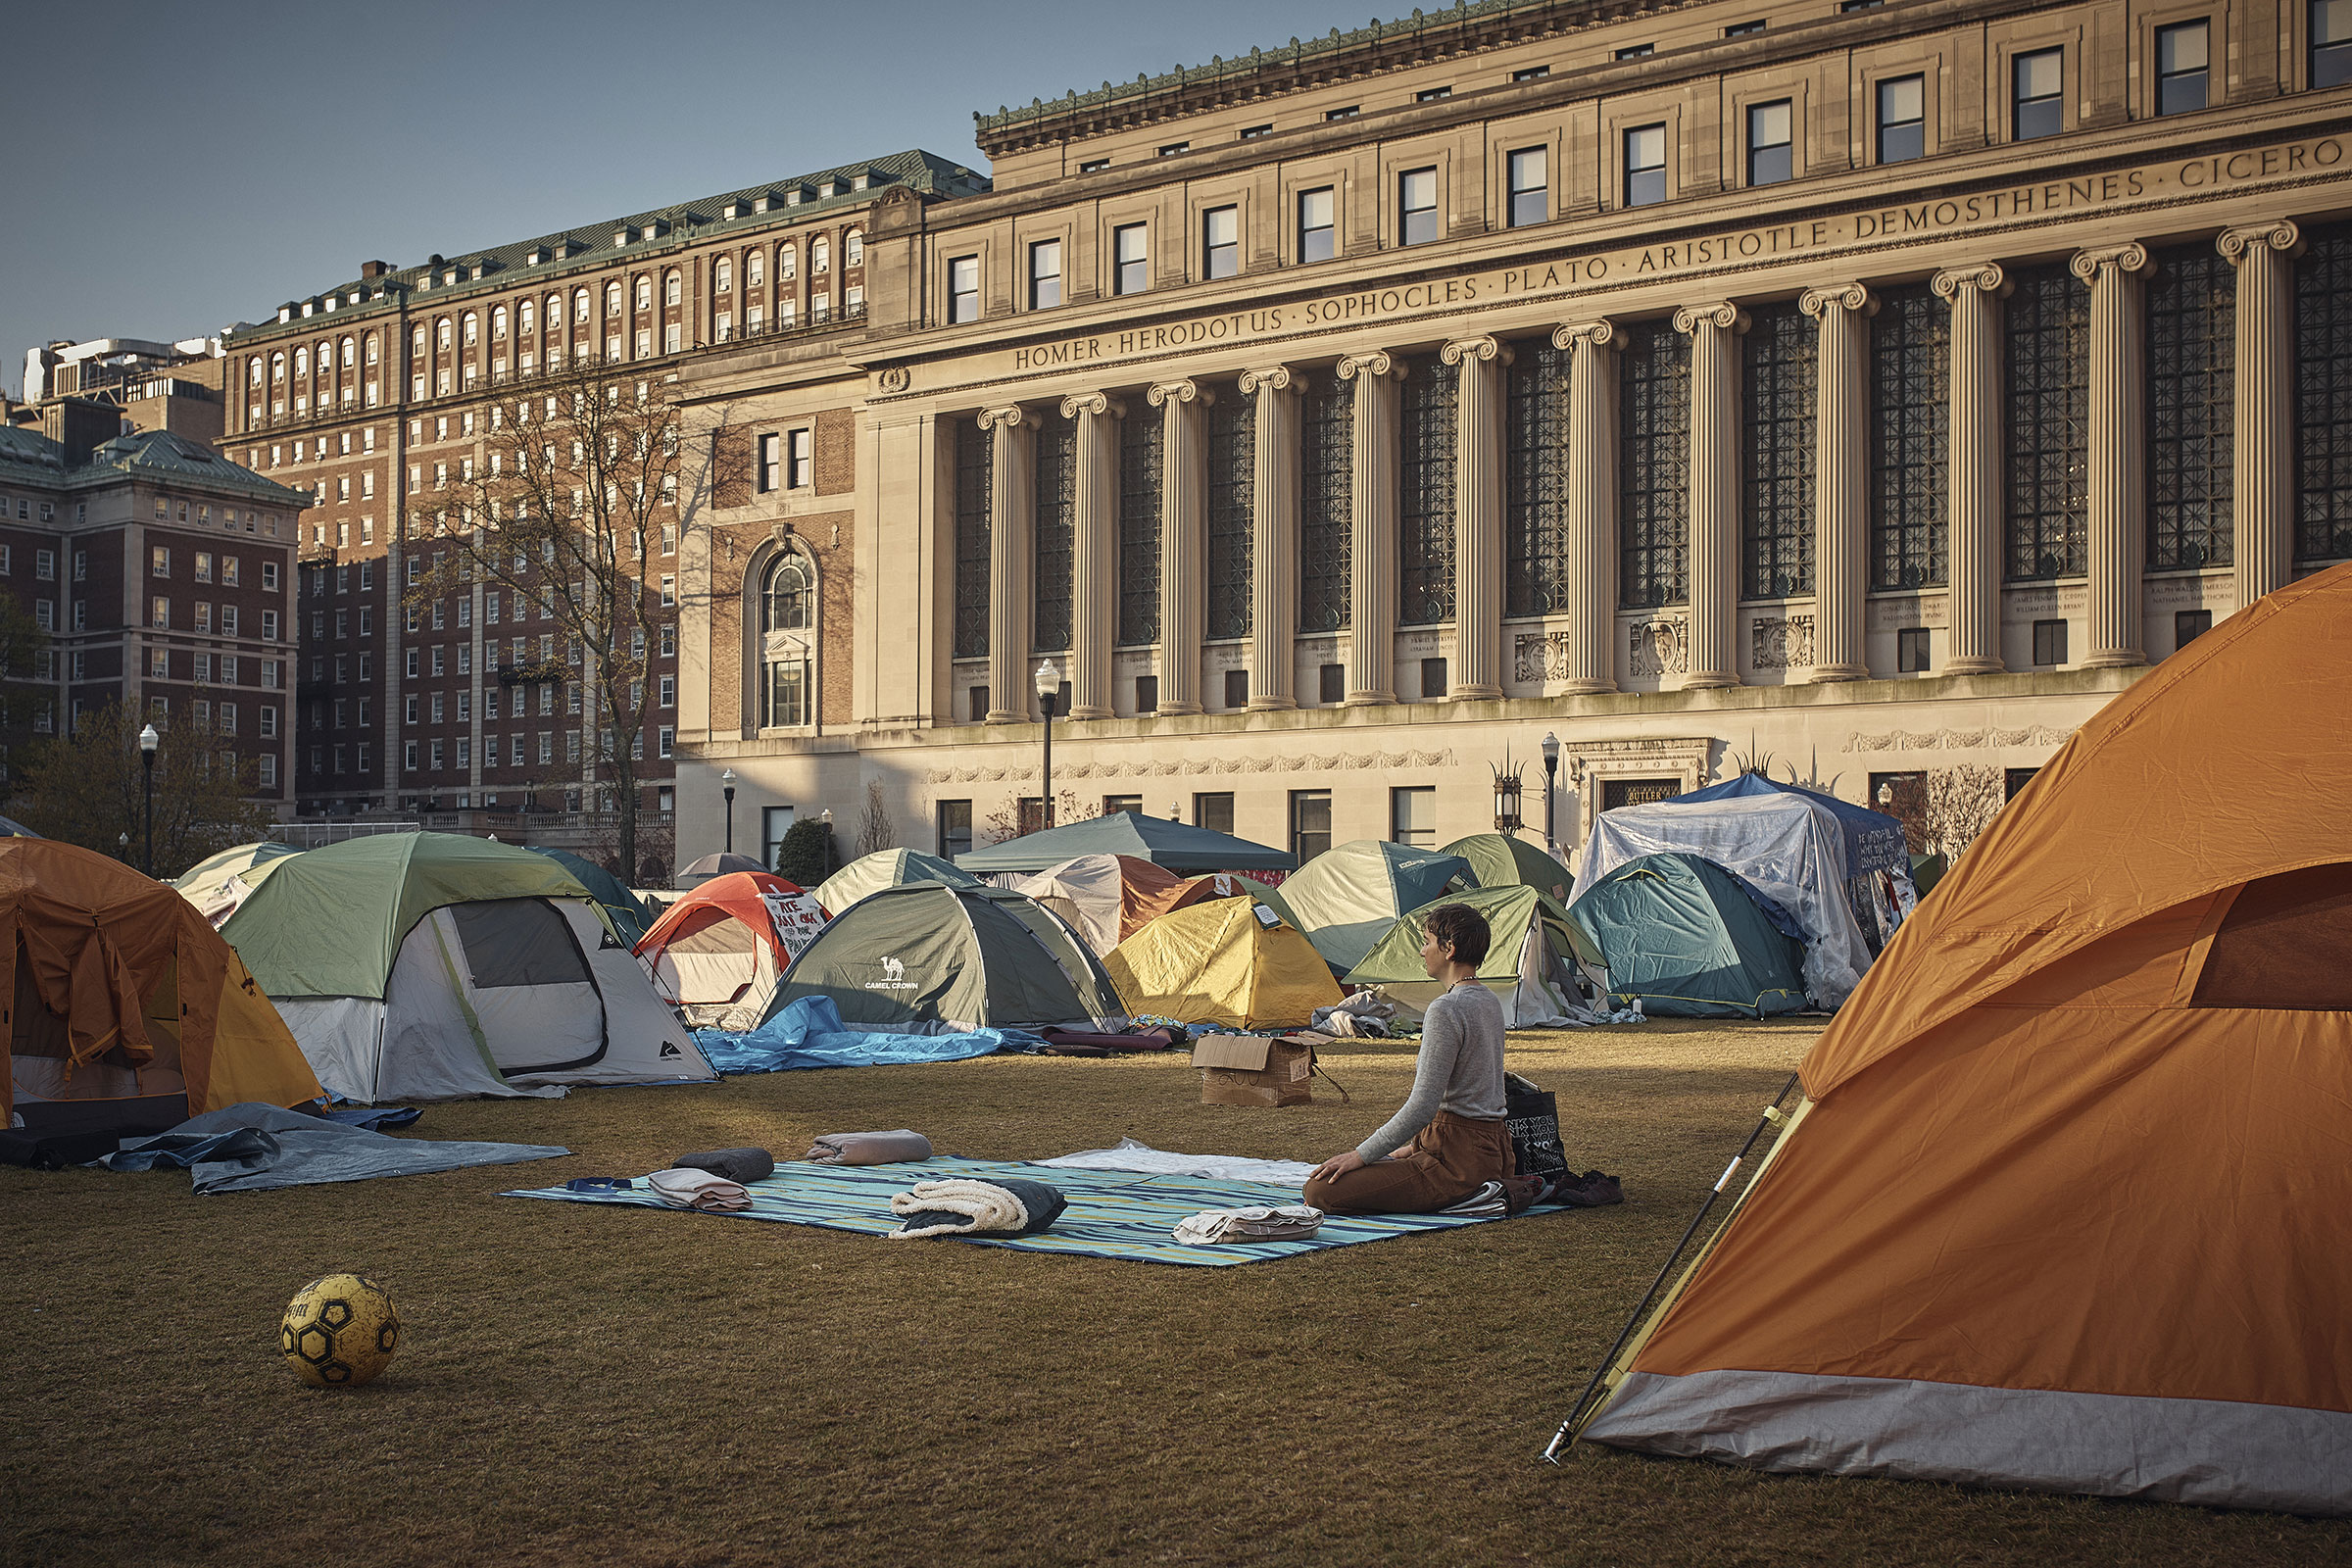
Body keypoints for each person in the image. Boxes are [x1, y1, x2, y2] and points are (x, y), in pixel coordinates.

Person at [1304, 903, 1511, 1215]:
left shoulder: (1447, 1009)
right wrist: (1411, 1149)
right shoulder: (1489, 1000)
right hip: (1493, 1150)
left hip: (1457, 1161)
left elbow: (1422, 1107)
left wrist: (1359, 1155)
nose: (1422, 951)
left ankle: (1471, 1194)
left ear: (1449, 948)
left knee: (1319, 1190)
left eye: (1427, 942)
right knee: (1367, 1170)